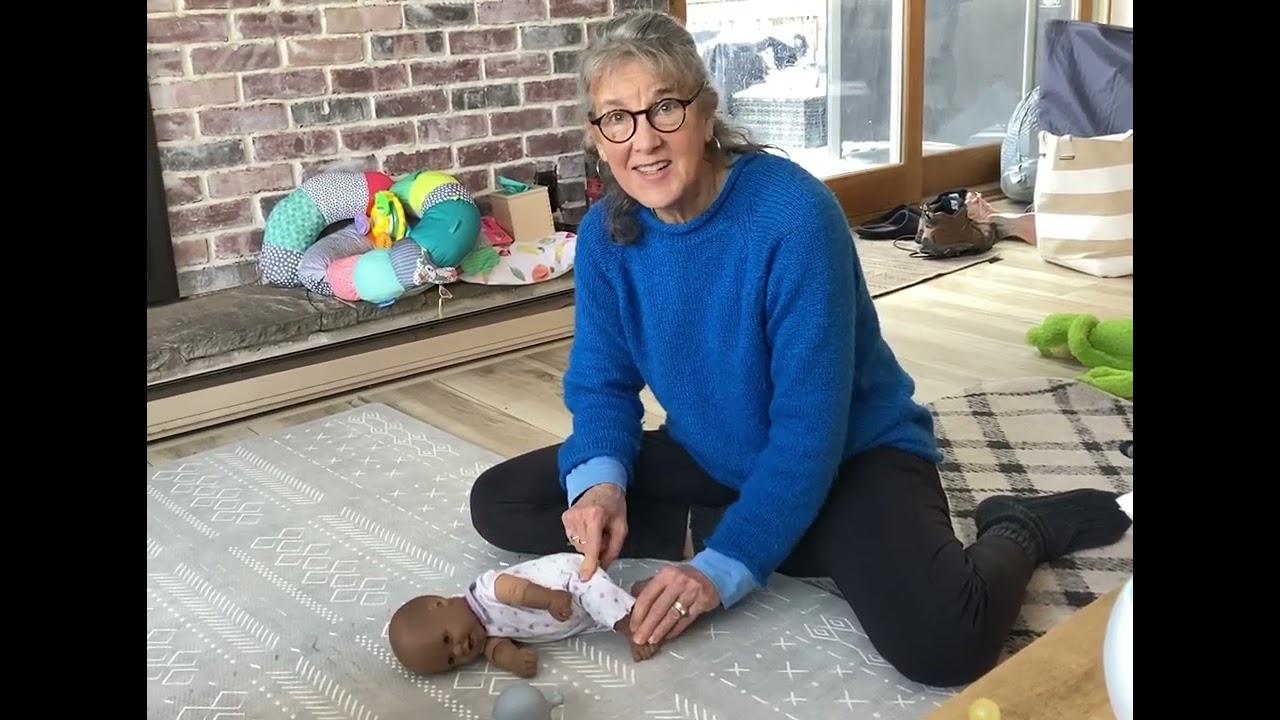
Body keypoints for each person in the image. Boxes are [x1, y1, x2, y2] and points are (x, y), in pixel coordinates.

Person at [468, 9, 1132, 688]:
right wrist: (603, 488)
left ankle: (1018, 527)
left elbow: (810, 431)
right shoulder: (609, 239)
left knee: (946, 643)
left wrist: (722, 568)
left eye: (664, 108)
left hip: (849, 455)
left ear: (705, 113)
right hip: (713, 451)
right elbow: (602, 384)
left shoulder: (792, 215)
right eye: (618, 118)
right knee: (503, 502)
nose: (644, 140)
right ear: (597, 136)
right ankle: (771, 529)